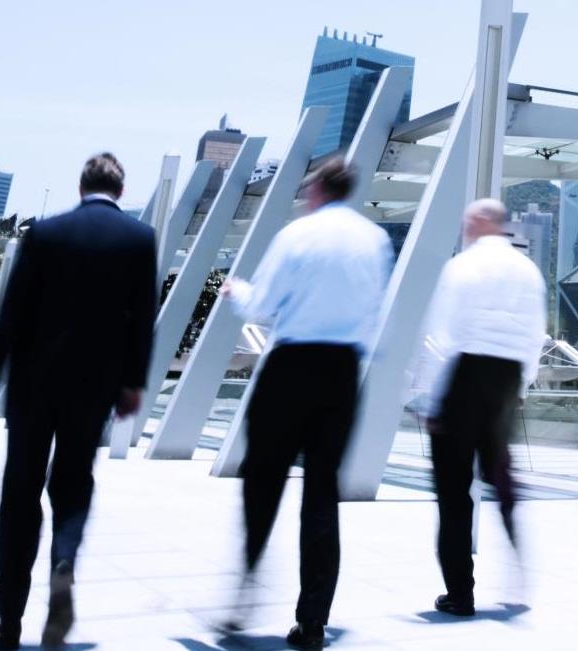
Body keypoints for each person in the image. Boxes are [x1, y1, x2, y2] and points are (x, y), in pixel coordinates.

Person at [0, 153, 157, 649]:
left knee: (20, 493)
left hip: (34, 384)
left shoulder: (45, 234)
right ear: (119, 191)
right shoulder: (139, 240)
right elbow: (142, 319)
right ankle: (64, 560)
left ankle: (9, 621)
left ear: (81, 187)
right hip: (94, 388)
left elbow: (11, 314)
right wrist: (132, 383)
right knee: (73, 482)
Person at [219, 156, 392, 649]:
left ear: (317, 190)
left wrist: (236, 290)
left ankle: (245, 587)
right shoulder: (373, 240)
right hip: (342, 374)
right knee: (321, 498)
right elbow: (374, 313)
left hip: (290, 367)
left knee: (263, 482)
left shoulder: (297, 235)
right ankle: (313, 620)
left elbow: (263, 305)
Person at [419, 198, 546, 617]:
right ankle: (518, 558)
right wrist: (521, 387)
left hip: (466, 373)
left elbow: (441, 334)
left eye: (468, 221)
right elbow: (535, 333)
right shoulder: (527, 270)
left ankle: (460, 593)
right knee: (500, 477)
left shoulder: (463, 266)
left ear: (478, 222)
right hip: (506, 378)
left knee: (454, 494)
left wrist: (432, 397)